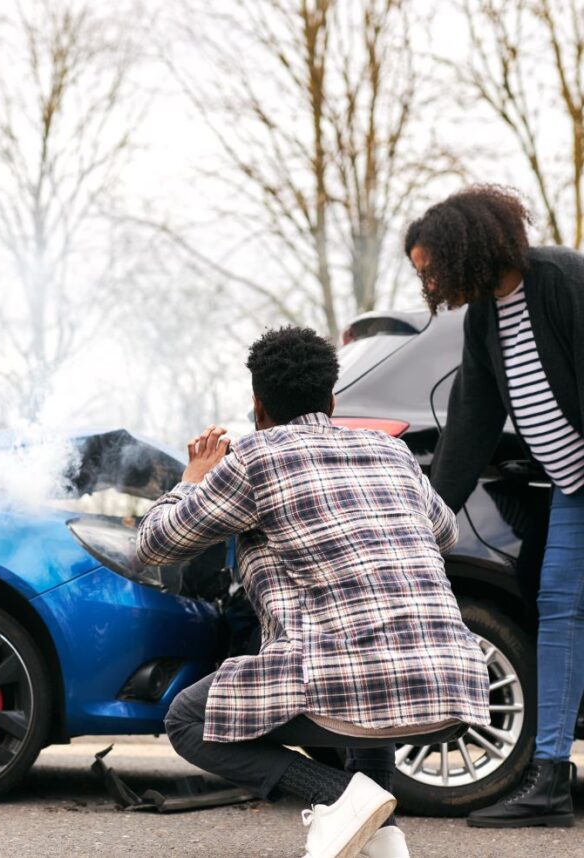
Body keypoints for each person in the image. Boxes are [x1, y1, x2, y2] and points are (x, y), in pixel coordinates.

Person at [138, 327, 491, 858]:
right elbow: (446, 533)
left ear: (257, 406)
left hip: (346, 681)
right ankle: (382, 840)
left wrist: (192, 479)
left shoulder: (256, 459)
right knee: (362, 683)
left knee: (187, 719)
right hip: (449, 682)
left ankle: (339, 799)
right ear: (331, 399)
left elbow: (154, 545)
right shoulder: (390, 452)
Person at [406, 185, 583, 828]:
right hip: (573, 489)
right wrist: (431, 519)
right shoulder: (486, 316)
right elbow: (472, 420)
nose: (428, 281)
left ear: (466, 249)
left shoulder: (564, 281)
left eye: (431, 268)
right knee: (560, 612)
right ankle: (551, 782)